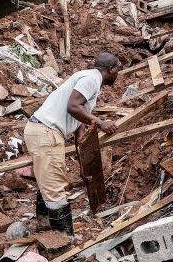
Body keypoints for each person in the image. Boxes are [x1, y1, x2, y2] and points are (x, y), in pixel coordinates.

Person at [23, 53, 121, 234]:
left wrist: (83, 165)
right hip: (46, 132)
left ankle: (45, 227)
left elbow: (80, 129)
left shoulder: (88, 79)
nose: (118, 74)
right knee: (55, 187)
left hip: (44, 131)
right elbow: (73, 106)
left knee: (48, 180)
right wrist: (101, 123)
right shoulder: (91, 79)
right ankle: (63, 241)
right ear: (111, 69)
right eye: (118, 69)